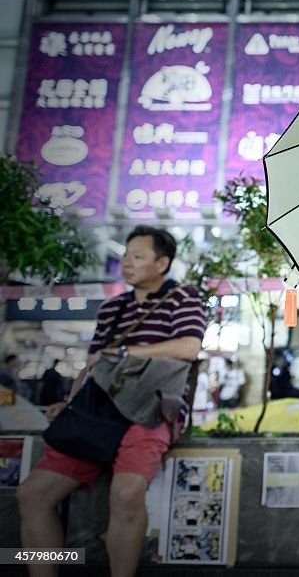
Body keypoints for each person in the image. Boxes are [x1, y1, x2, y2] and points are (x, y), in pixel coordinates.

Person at [17, 225, 207, 577]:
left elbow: (189, 347)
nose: (127, 263)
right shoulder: (112, 308)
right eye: (125, 255)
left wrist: (126, 351)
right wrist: (71, 402)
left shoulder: (183, 298)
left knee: (125, 494)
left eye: (138, 256)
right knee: (32, 495)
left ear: (162, 263)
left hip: (150, 410)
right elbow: (94, 363)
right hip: (98, 410)